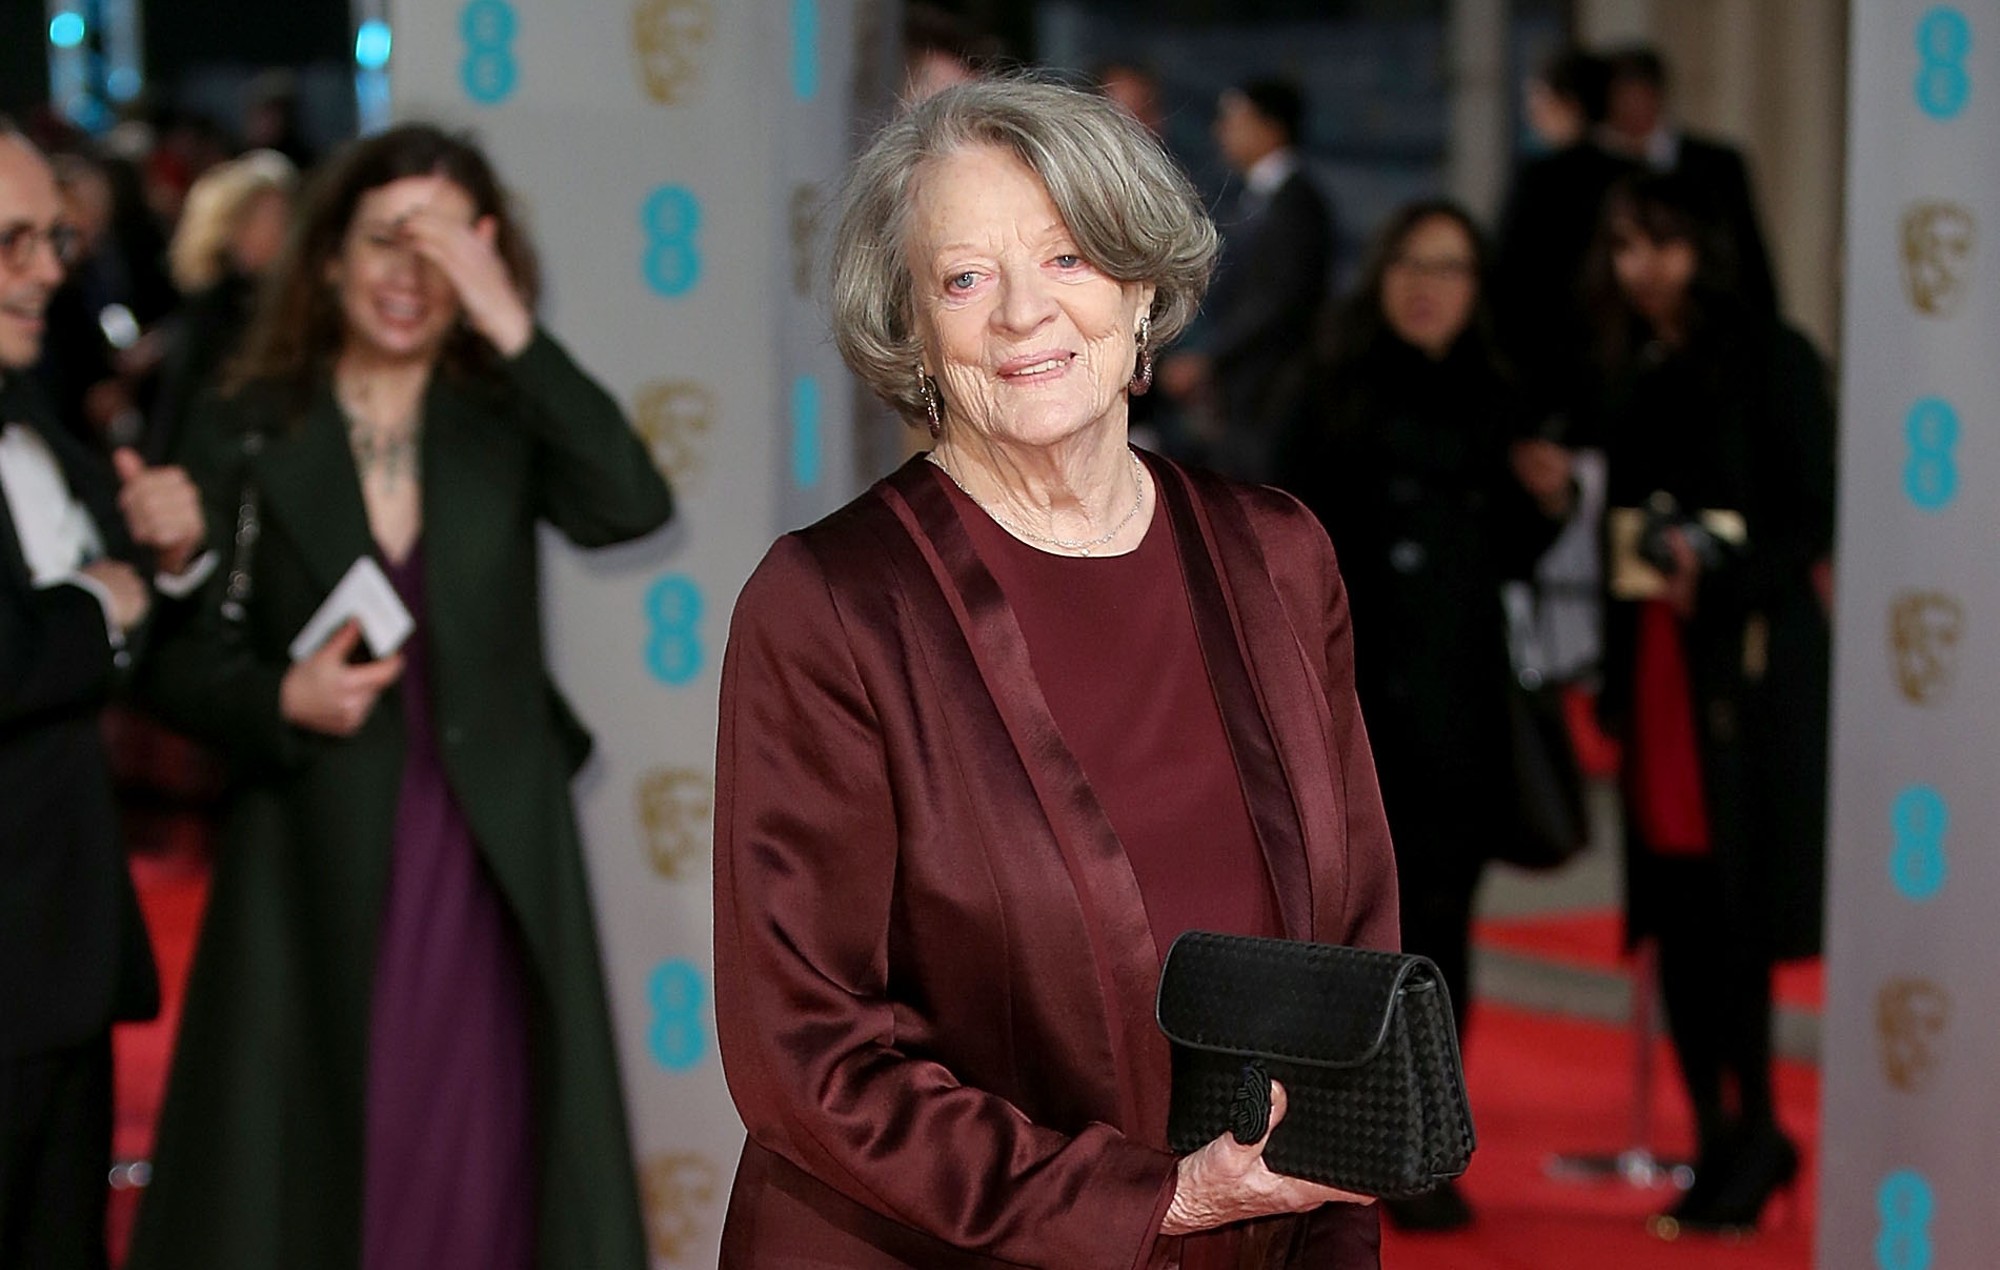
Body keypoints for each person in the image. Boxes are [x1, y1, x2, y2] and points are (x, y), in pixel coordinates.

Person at [714, 77, 1400, 1270]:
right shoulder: (829, 606)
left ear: (1140, 290)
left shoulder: (1279, 558)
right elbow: (806, 1053)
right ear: (916, 332)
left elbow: (1355, 967)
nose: (1022, 314)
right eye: (964, 278)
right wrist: (1156, 1200)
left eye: (1069, 257)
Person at [126, 124, 673, 1270]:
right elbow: (174, 661)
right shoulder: (251, 414)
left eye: (441, 245)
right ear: (328, 256)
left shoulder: (499, 408)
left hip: (487, 846)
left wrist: (509, 323)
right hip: (310, 844)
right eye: (385, 238)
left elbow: (627, 503)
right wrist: (282, 694)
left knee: (481, 1142)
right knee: (319, 1152)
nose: (406, 272)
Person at [1275, 201, 1572, 1233]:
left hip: (1455, 712)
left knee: (1437, 938)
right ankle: (1325, 1139)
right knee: (1336, 931)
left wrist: (1547, 506)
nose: (1426, 283)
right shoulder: (1328, 388)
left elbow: (1513, 565)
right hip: (1342, 706)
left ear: (1476, 288)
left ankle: (1421, 1147)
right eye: (1410, 260)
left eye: (1449, 266)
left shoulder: (1502, 399)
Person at [1581, 171, 1833, 1237]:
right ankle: (1717, 1137)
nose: (1643, 267)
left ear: (1709, 249)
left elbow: (1807, 519)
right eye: (1627, 244)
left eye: (1664, 244)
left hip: (1746, 672)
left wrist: (1712, 575)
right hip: (1655, 663)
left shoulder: (1772, 358)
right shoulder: (1626, 363)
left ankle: (1759, 1129)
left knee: (1731, 916)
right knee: (1675, 916)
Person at [0, 120, 207, 1270]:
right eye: (15, 240)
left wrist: (163, 561)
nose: (48, 269)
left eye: (56, 238)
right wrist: (100, 601)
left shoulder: (29, 406)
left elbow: (121, 599)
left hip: (60, 961)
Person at [1160, 78, 1333, 483]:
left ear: (1271, 128)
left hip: (1275, 392)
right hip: (1244, 391)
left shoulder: (1297, 203)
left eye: (1235, 119)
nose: (1222, 131)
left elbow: (1279, 301)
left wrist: (1208, 357)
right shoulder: (1254, 197)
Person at [1492, 46, 1635, 425]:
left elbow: (1508, 274)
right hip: (1622, 352)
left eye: (1537, 95)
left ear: (1567, 102)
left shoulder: (1538, 178)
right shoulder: (1633, 174)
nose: (1531, 107)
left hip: (1546, 361)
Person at [1599, 45, 1778, 318]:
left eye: (1637, 93)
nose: (1629, 105)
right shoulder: (1592, 171)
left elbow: (1749, 255)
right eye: (1620, 95)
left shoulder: (1718, 164)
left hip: (1716, 319)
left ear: (1657, 94)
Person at [149, 149, 295, 462]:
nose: (281, 232)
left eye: (284, 219)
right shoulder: (214, 310)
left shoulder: (283, 303)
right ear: (232, 227)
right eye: (267, 220)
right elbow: (181, 410)